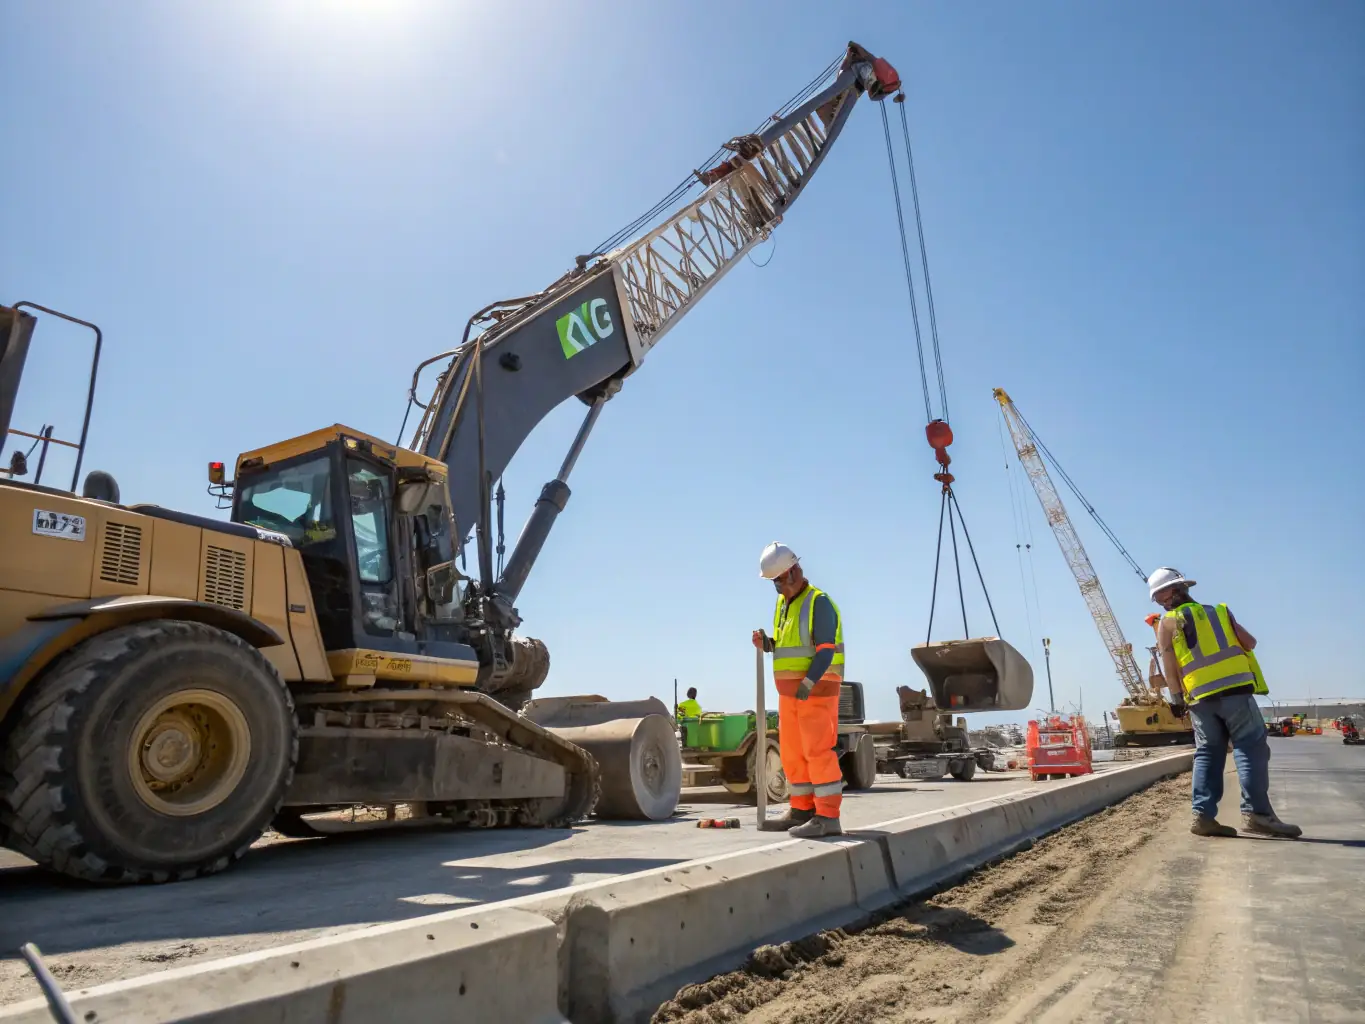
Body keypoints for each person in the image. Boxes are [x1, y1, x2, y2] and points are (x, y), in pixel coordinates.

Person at [1147, 567, 1301, 839]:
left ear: (1171, 594)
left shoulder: (1166, 624)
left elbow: (1169, 664)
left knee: (1207, 753)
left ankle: (1203, 817)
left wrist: (1176, 698)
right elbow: (1250, 643)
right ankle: (1258, 815)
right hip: (1235, 691)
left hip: (1200, 699)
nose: (1161, 602)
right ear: (1185, 587)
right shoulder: (1220, 612)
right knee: (1249, 748)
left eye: (1160, 597)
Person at [751, 542, 845, 838]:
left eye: (777, 580)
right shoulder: (784, 605)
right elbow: (787, 647)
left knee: (818, 751)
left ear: (791, 573)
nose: (776, 587)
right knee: (793, 753)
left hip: (816, 690)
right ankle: (801, 809)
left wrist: (808, 683)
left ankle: (828, 816)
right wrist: (767, 644)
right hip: (790, 694)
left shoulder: (820, 603)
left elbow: (826, 650)